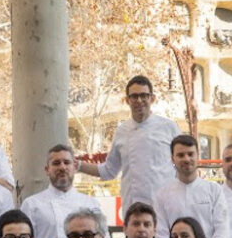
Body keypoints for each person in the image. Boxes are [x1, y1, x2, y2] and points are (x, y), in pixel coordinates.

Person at [77, 76, 181, 208]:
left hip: (166, 208)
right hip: (133, 210)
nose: (139, 101)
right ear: (127, 100)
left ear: (152, 98)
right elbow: (109, 170)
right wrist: (79, 165)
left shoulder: (169, 127)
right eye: (134, 96)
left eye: (144, 96)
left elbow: (182, 165)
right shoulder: (122, 131)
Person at [20, 144, 113, 238]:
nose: (62, 167)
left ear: (74, 167)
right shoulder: (32, 204)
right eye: (56, 163)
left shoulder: (90, 203)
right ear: (47, 169)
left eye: (67, 162)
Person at [153, 135, 229, 238]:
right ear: (173, 159)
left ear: (198, 156)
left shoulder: (214, 190)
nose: (186, 159)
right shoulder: (162, 195)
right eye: (181, 155)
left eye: (190, 154)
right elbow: (161, 236)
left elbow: (222, 231)